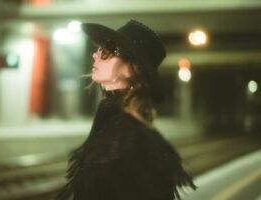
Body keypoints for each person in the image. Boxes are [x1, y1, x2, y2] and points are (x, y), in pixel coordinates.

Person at [56, 19, 196, 200]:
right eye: (99, 48)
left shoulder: (131, 135)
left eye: (107, 51)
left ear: (131, 69)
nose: (96, 55)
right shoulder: (113, 122)